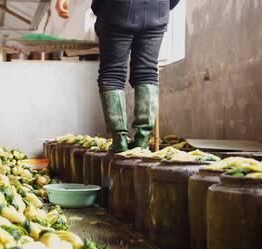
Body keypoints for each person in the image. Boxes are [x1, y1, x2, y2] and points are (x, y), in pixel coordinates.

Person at [56, 0, 181, 152]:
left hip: (118, 8)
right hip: (158, 10)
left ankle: (119, 140)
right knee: (147, 72)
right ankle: (142, 140)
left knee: (112, 74)